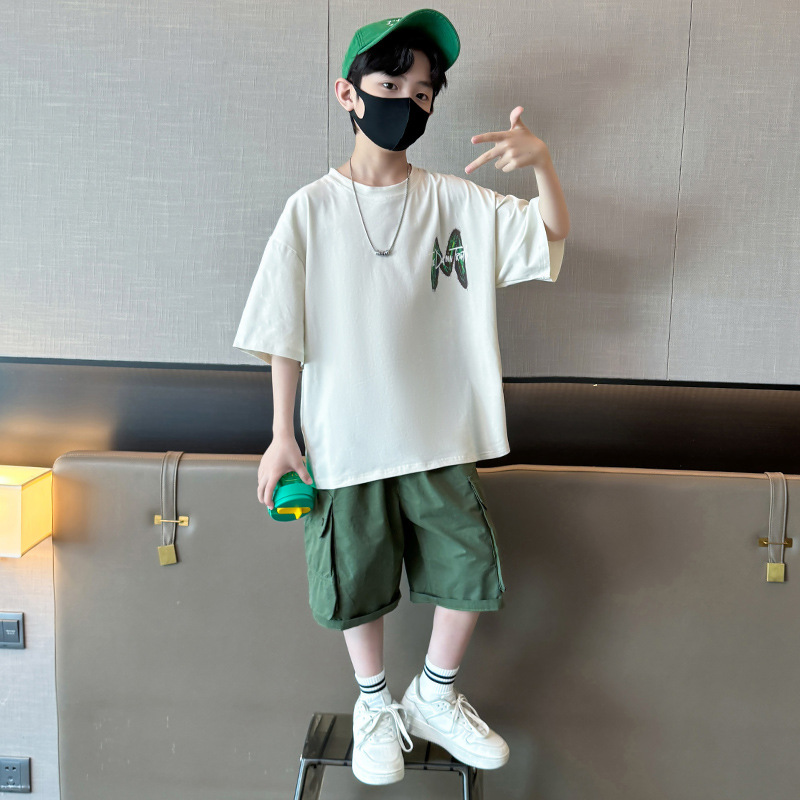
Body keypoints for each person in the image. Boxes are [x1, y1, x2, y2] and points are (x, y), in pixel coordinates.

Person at [233, 7, 570, 787]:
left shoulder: (457, 202)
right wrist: (281, 434)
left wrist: (544, 165)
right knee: (355, 580)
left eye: (422, 94)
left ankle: (434, 696)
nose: (406, 103)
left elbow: (549, 237)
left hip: (439, 434)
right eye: (390, 86)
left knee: (469, 568)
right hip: (344, 437)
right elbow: (282, 330)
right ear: (347, 92)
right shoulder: (310, 209)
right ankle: (374, 705)